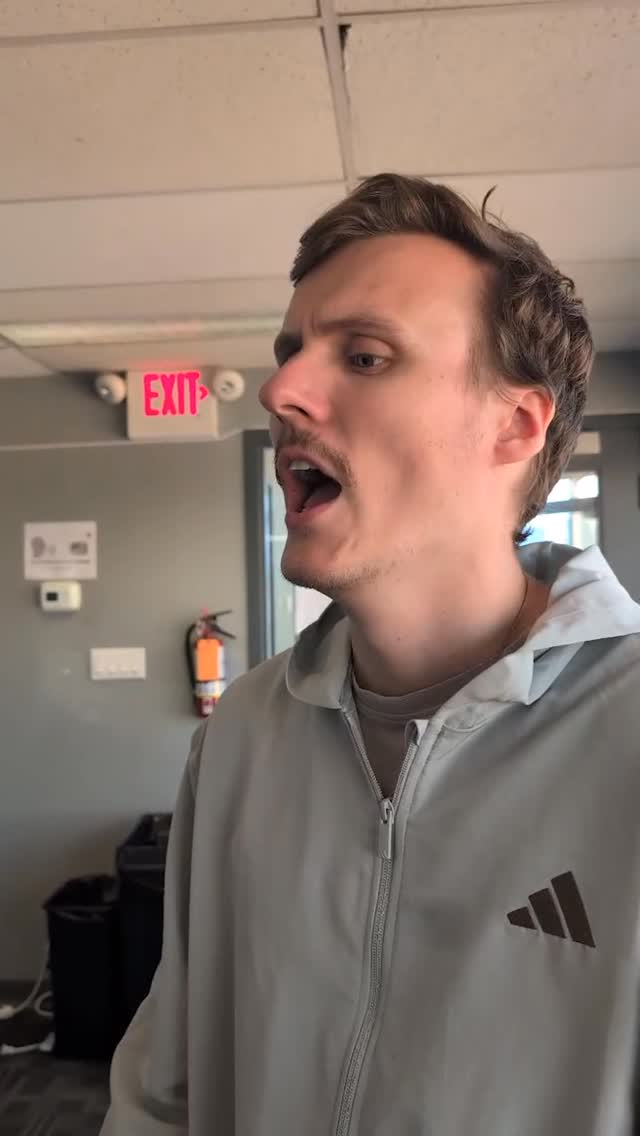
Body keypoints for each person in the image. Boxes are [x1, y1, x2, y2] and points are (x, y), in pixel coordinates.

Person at [101, 174, 640, 1136]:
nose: (278, 392)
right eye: (290, 354)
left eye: (365, 356)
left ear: (515, 425)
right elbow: (167, 1083)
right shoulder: (244, 736)